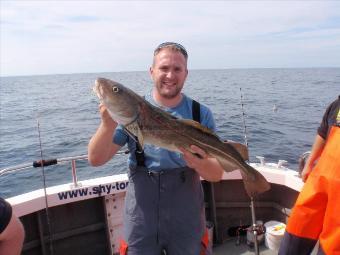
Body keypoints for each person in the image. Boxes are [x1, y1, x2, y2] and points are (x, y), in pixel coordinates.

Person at [88, 42, 224, 255]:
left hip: (186, 216)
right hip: (142, 216)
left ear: (186, 74)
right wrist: (107, 125)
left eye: (177, 69)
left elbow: (216, 174)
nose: (170, 75)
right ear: (151, 72)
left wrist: (199, 162)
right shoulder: (129, 114)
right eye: (164, 68)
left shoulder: (200, 113)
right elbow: (96, 159)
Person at [279, 96, 340, 255]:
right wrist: (309, 162)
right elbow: (323, 132)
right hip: (320, 180)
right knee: (296, 230)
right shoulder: (337, 104)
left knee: (332, 247)